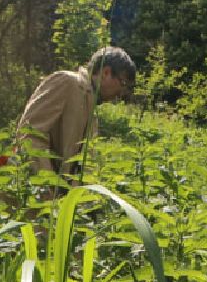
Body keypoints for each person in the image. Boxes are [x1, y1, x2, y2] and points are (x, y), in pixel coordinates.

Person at [14, 46, 136, 195]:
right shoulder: (68, 82)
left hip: (54, 205)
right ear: (106, 72)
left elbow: (81, 166)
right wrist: (49, 190)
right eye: (123, 84)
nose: (121, 93)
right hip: (30, 199)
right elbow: (29, 135)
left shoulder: (91, 111)